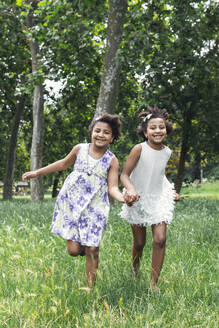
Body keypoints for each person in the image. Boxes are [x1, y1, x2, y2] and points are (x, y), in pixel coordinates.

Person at [22, 113, 125, 290]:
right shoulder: (80, 149)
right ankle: (89, 247)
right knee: (74, 251)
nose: (100, 135)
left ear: (113, 137)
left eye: (106, 132)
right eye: (97, 130)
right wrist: (36, 173)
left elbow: (113, 187)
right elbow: (62, 164)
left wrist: (124, 198)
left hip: (95, 207)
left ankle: (89, 290)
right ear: (91, 131)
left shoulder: (112, 160)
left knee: (92, 249)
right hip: (71, 203)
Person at [120, 105, 179, 290]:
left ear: (166, 131)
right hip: (137, 198)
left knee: (160, 239)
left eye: (161, 127)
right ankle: (134, 270)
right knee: (139, 243)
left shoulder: (167, 152)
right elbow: (124, 175)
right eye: (153, 127)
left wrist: (170, 190)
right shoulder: (139, 149)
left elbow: (159, 175)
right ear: (146, 132)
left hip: (158, 198)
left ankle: (153, 284)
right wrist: (130, 190)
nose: (157, 130)